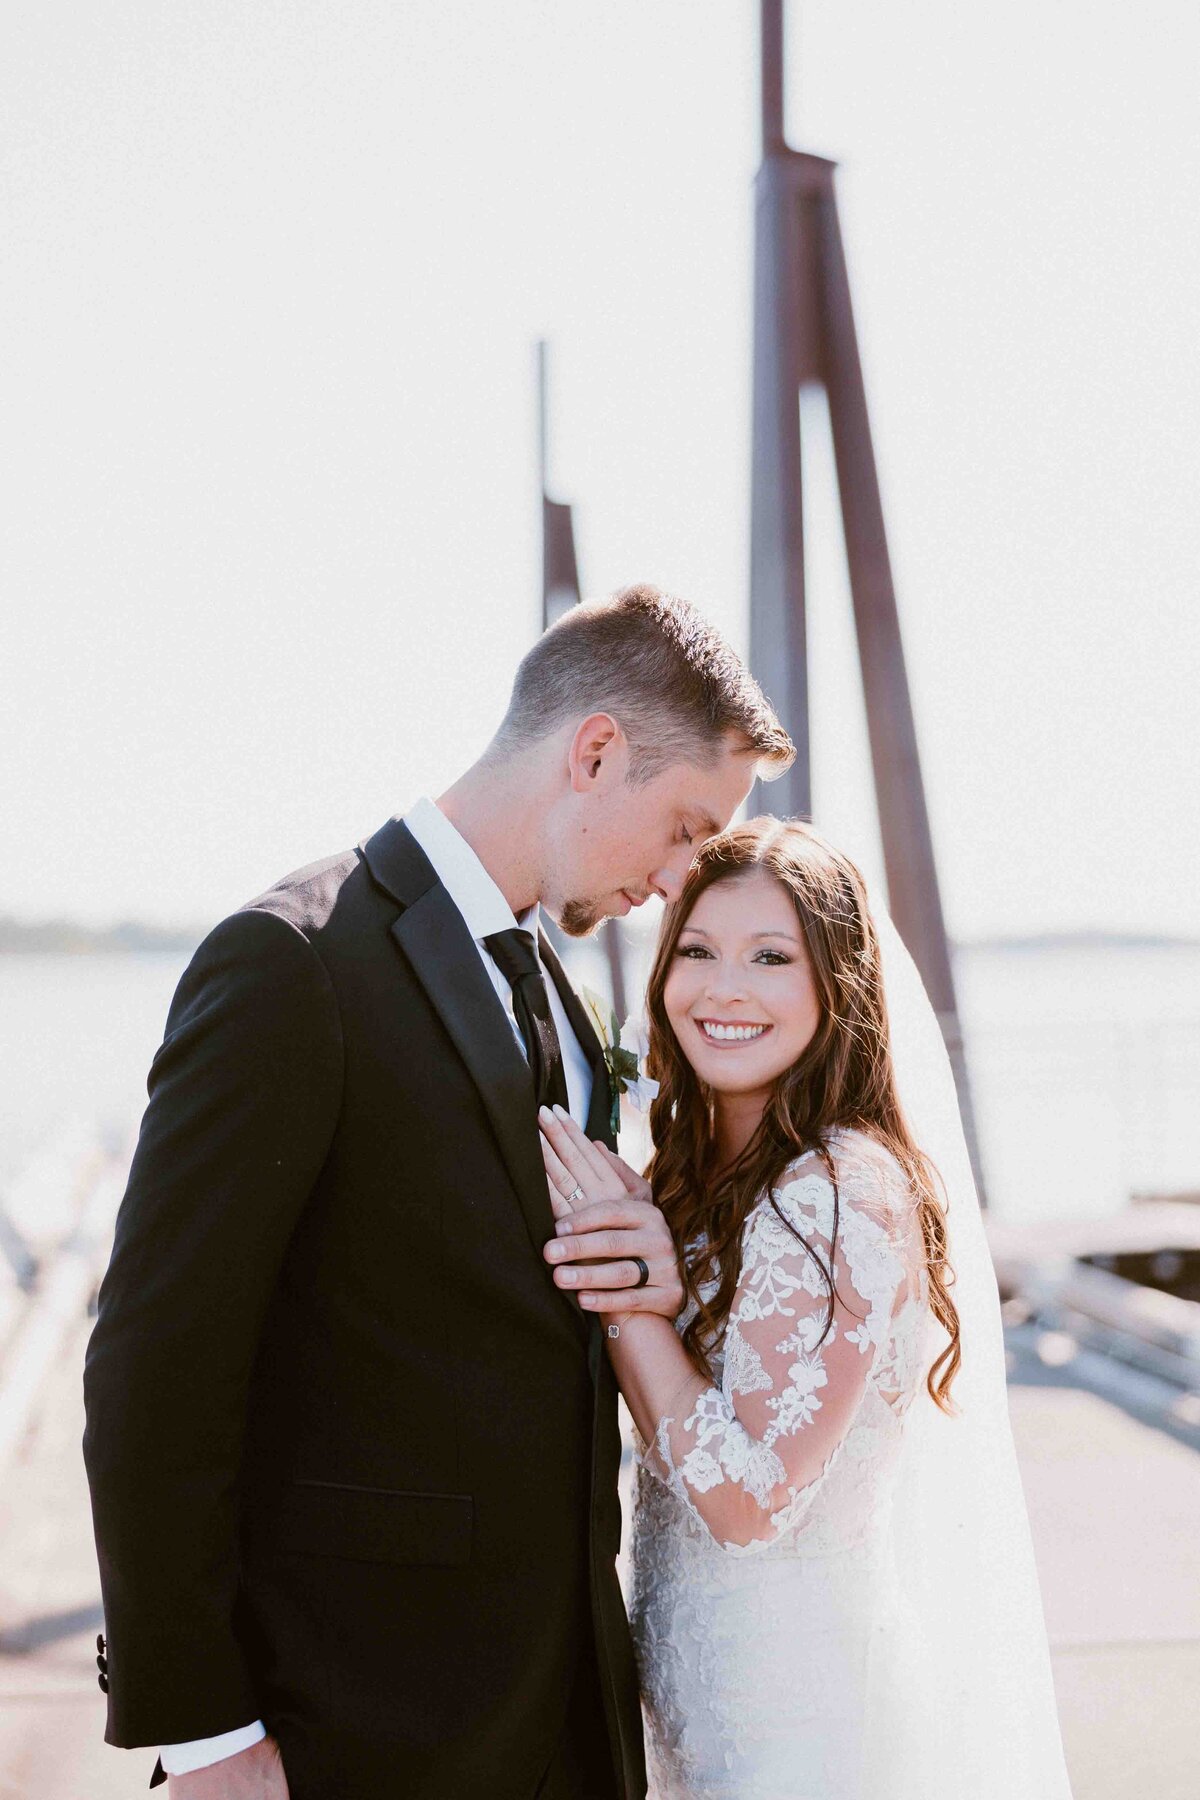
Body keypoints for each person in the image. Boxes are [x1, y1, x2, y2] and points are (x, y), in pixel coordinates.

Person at [80, 584, 795, 1799]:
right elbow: (156, 1366)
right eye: (682, 827)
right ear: (595, 751)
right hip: (351, 1723)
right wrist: (203, 1727)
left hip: (560, 1712)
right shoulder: (295, 963)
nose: (680, 878)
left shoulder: (561, 1000)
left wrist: (644, 1275)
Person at [538, 817, 1074, 1799]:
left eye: (771, 956)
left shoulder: (835, 1190)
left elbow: (748, 1504)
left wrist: (628, 1301)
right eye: (696, 950)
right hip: (710, 1715)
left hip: (806, 1729)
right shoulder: (697, 1179)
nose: (723, 987)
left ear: (839, 987)